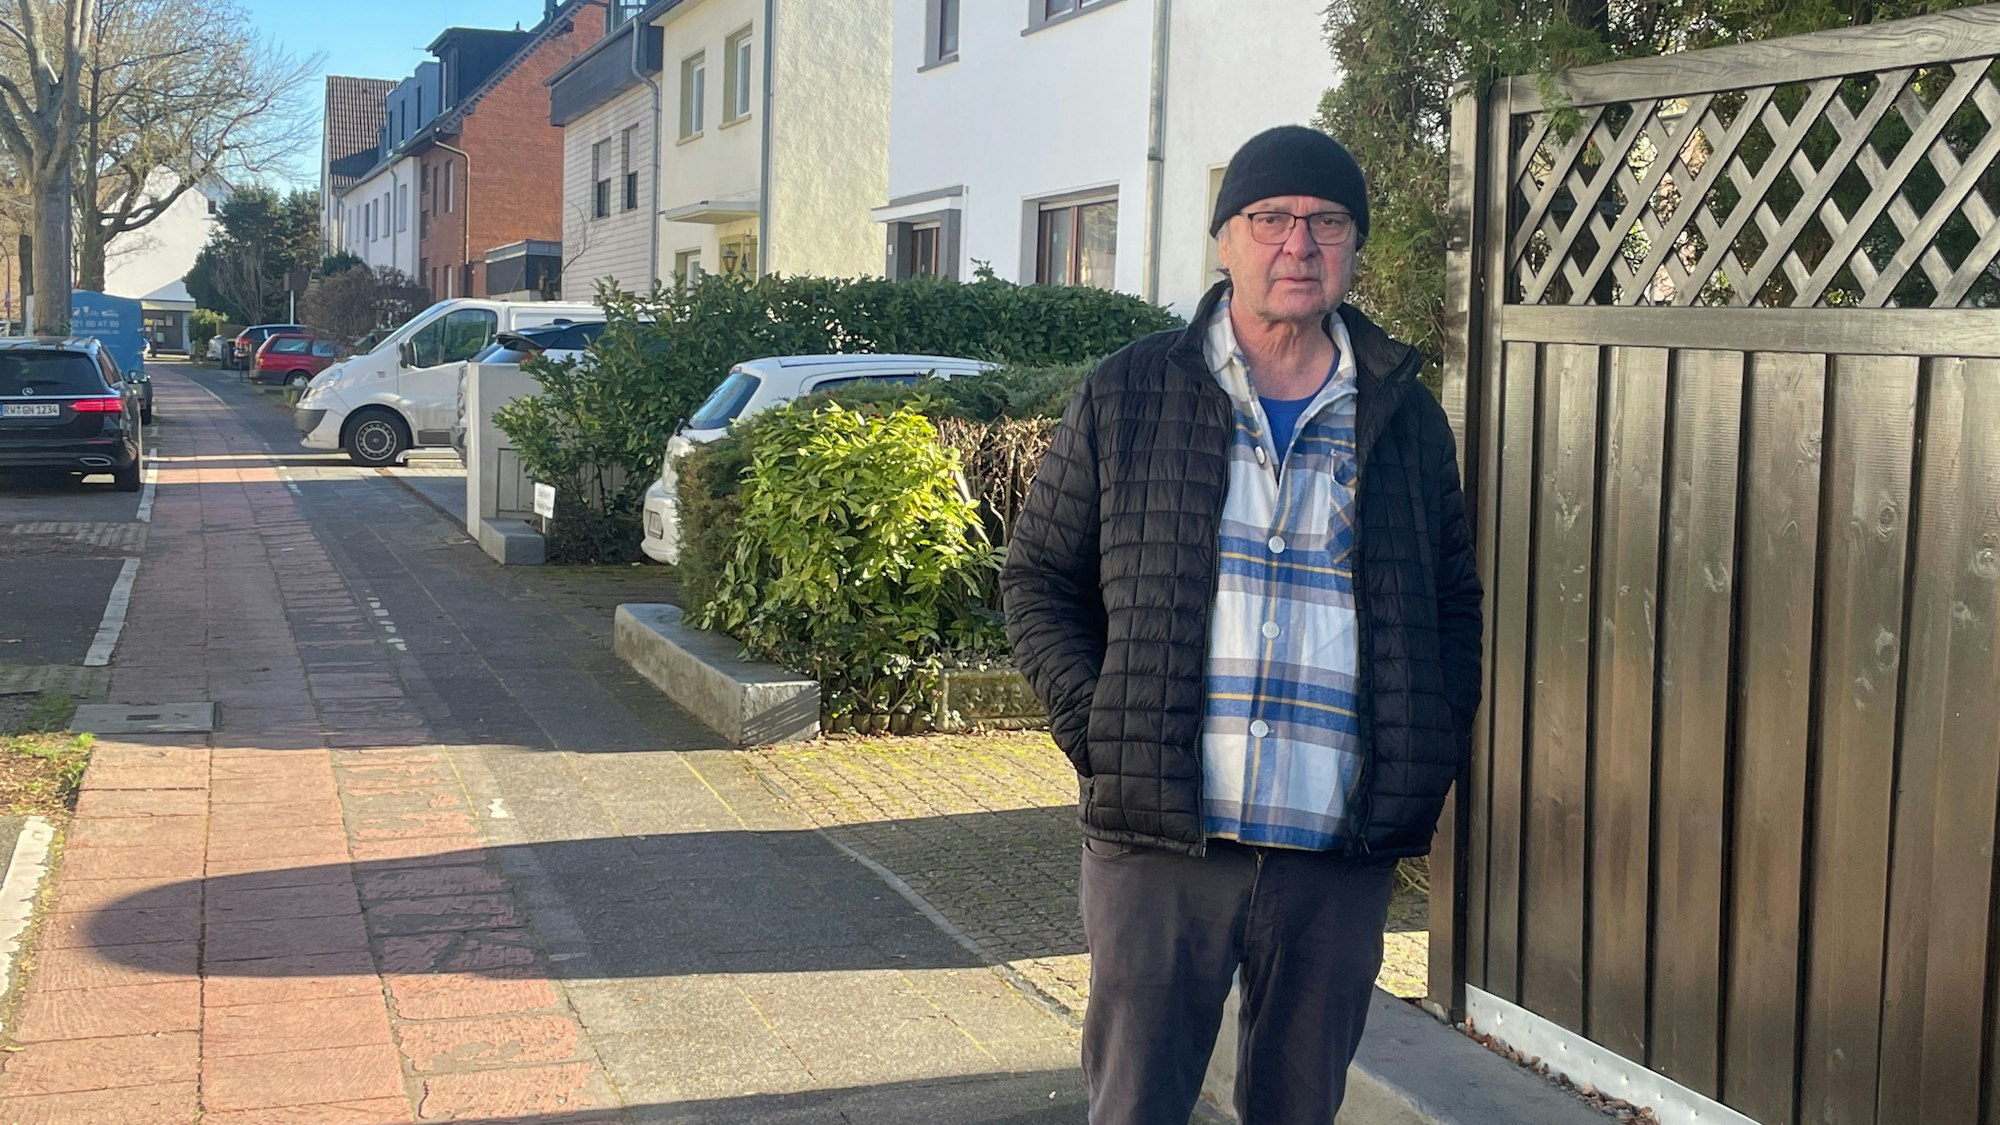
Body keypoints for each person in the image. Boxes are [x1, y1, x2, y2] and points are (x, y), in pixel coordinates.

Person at [1001, 125, 1484, 1125]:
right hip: (1163, 848)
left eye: (1325, 222)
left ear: (1351, 247)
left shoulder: (1403, 417)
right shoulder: (1126, 394)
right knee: (1134, 1107)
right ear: (1224, 240)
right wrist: (1102, 730)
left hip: (1334, 855)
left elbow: (1450, 606)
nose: (1296, 245)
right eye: (1269, 219)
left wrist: (1423, 753)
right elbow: (1036, 578)